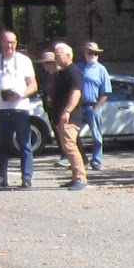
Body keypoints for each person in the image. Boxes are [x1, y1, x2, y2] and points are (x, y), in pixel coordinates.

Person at [0, 29, 38, 189]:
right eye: (7, 42)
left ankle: (26, 178)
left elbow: (33, 84)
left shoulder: (24, 61)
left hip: (20, 108)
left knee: (24, 143)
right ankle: (1, 178)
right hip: (1, 109)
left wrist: (21, 94)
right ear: (1, 43)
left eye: (13, 42)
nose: (10, 46)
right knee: (1, 144)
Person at [47, 42, 88, 191]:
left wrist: (67, 111)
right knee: (66, 147)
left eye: (58, 55)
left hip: (70, 117)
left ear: (68, 55)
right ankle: (75, 177)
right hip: (60, 116)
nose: (55, 58)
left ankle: (80, 178)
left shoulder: (73, 72)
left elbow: (76, 93)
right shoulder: (62, 73)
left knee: (70, 146)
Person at [76, 42, 111, 170]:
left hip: (93, 106)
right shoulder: (78, 68)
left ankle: (96, 160)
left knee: (96, 137)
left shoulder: (101, 69)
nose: (92, 55)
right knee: (73, 135)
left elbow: (106, 92)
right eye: (89, 52)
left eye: (95, 53)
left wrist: (97, 108)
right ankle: (81, 159)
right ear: (84, 53)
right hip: (78, 107)